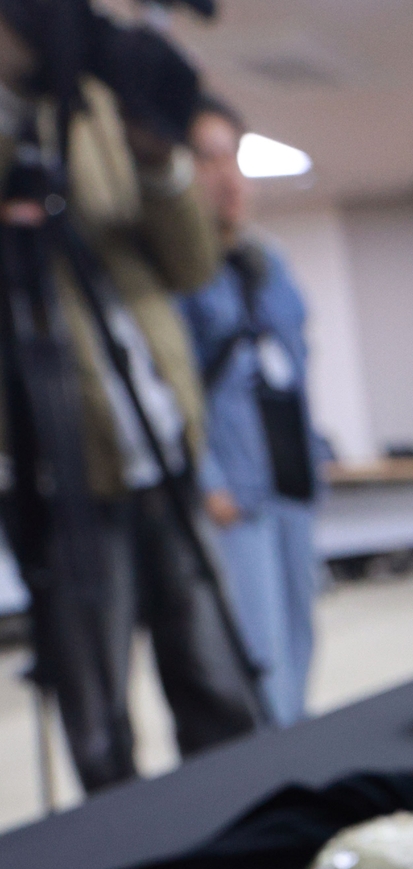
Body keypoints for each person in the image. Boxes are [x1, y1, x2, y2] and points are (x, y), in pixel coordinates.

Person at [0, 10, 262, 793]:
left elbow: (190, 265)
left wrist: (158, 157)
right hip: (59, 469)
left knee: (216, 683)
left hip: (163, 449)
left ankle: (236, 827)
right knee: (97, 714)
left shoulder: (98, 116)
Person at [181, 95, 321, 726]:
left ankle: (292, 747)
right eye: (208, 159)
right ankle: (275, 767)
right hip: (237, 494)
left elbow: (295, 367)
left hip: (291, 481)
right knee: (258, 653)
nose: (227, 175)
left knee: (300, 638)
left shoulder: (271, 264)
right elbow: (171, 385)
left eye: (234, 156)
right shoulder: (180, 276)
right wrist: (207, 480)